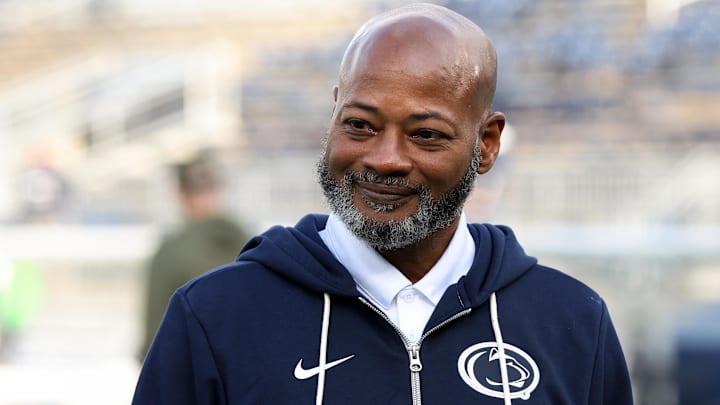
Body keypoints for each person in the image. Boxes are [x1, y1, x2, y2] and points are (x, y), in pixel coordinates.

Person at [133, 4, 633, 404]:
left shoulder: (574, 323)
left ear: (486, 144)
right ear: (333, 116)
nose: (386, 159)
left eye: (426, 134)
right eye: (360, 125)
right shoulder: (213, 317)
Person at [138, 153, 250, 359]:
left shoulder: (171, 250)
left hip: (193, 370)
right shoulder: (251, 241)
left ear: (180, 193)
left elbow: (154, 332)